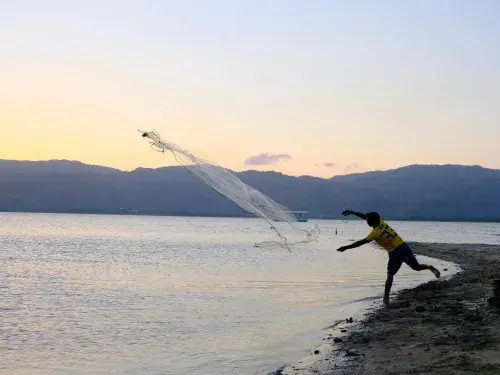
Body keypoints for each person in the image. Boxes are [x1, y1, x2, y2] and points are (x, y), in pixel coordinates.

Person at [337, 210, 440, 305]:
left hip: (395, 252)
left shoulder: (375, 233)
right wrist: (352, 212)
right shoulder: (381, 222)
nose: (366, 221)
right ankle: (431, 267)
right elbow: (365, 216)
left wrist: (346, 247)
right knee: (416, 267)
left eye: (368, 220)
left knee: (390, 275)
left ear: (371, 223)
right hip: (404, 246)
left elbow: (360, 242)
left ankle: (386, 298)